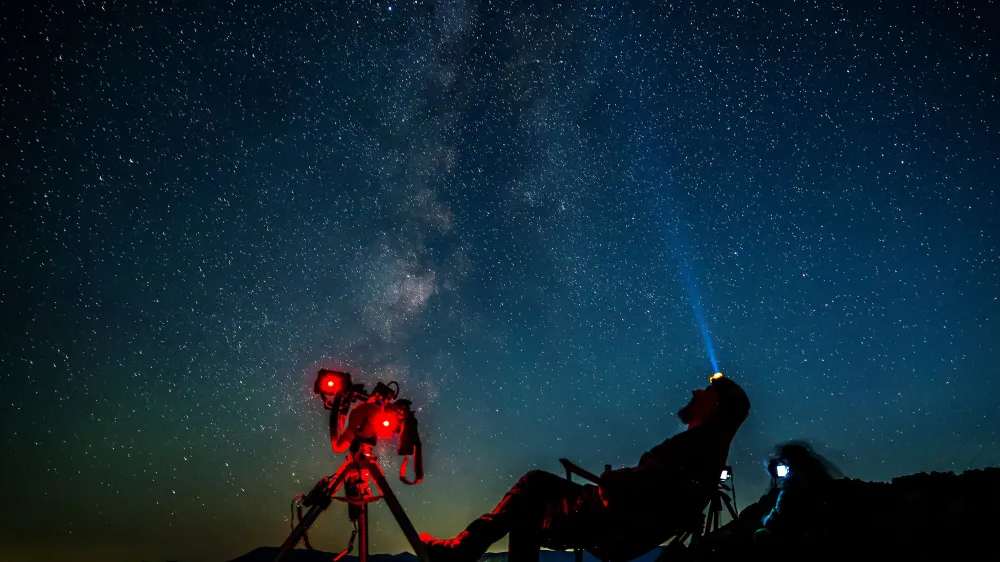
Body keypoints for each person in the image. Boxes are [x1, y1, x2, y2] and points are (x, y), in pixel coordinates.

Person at [419, 373, 751, 562]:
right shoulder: (704, 452)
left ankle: (462, 550)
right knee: (533, 490)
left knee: (531, 493)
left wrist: (613, 480)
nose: (695, 390)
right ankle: (464, 549)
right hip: (620, 518)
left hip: (608, 519)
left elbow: (648, 485)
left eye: (706, 390)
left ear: (717, 404)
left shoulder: (693, 447)